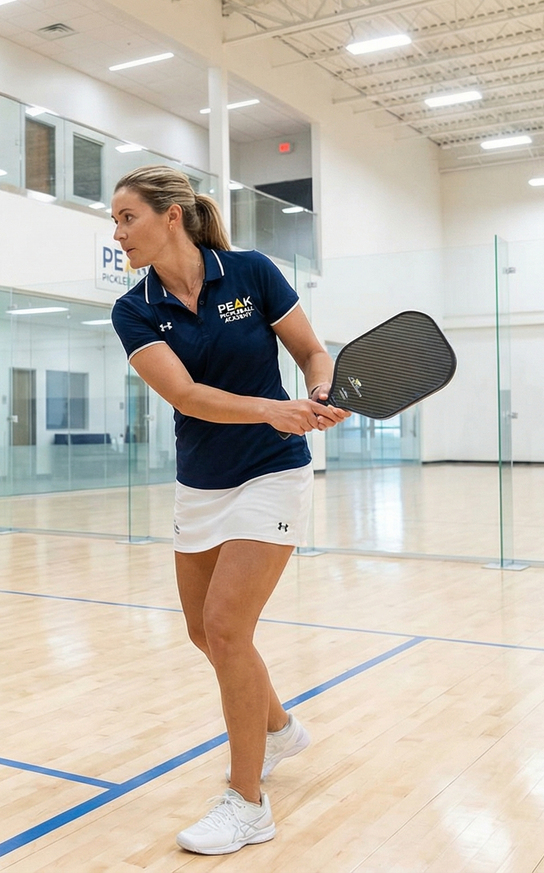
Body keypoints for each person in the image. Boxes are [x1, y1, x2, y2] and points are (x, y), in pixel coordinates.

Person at [107, 165, 348, 856]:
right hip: (201, 482)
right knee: (201, 631)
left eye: (127, 217)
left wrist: (320, 387)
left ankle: (248, 803)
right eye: (115, 222)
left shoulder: (250, 271)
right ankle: (277, 729)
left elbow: (310, 349)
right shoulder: (134, 308)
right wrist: (276, 408)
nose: (118, 232)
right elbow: (185, 394)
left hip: (271, 474)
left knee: (226, 625)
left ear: (171, 215)